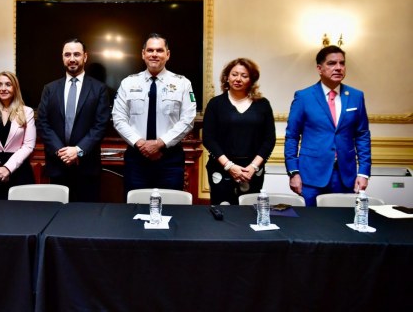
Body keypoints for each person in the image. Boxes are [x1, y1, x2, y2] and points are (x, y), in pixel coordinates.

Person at [285, 45, 371, 206]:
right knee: (310, 225)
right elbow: (292, 136)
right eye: (332, 63)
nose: (338, 68)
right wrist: (293, 172)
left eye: (342, 63)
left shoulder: (356, 96)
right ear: (319, 68)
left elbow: (362, 135)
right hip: (311, 176)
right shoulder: (304, 97)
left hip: (346, 176)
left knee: (343, 224)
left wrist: (364, 173)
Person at [112, 33, 197, 194]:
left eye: (159, 50)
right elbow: (118, 118)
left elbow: (188, 120)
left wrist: (159, 143)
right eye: (150, 50)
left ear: (167, 54)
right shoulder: (128, 83)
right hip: (137, 158)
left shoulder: (182, 84)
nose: (154, 54)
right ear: (143, 54)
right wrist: (140, 144)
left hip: (169, 159)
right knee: (135, 207)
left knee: (171, 207)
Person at [37, 38, 110, 202]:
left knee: (87, 217)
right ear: (62, 57)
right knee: (57, 217)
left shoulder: (99, 89)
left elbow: (100, 126)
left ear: (85, 57)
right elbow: (43, 123)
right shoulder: (50, 89)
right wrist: (62, 152)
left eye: (76, 54)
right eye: (67, 54)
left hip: (87, 166)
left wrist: (77, 150)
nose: (72, 58)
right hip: (58, 165)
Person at [202, 58, 276, 205]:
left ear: (251, 80)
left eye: (244, 75)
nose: (238, 79)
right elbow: (208, 138)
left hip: (252, 171)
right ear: (227, 77)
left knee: (249, 214)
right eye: (234, 74)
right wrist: (229, 166)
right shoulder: (215, 104)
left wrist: (253, 167)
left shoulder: (262, 104)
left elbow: (269, 140)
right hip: (222, 168)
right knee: (223, 212)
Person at [0, 71, 36, 199]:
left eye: (8, 84)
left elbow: (28, 145)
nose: (3, 88)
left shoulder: (27, 112)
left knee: (20, 215)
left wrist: (7, 168)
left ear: (15, 87)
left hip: (18, 171)